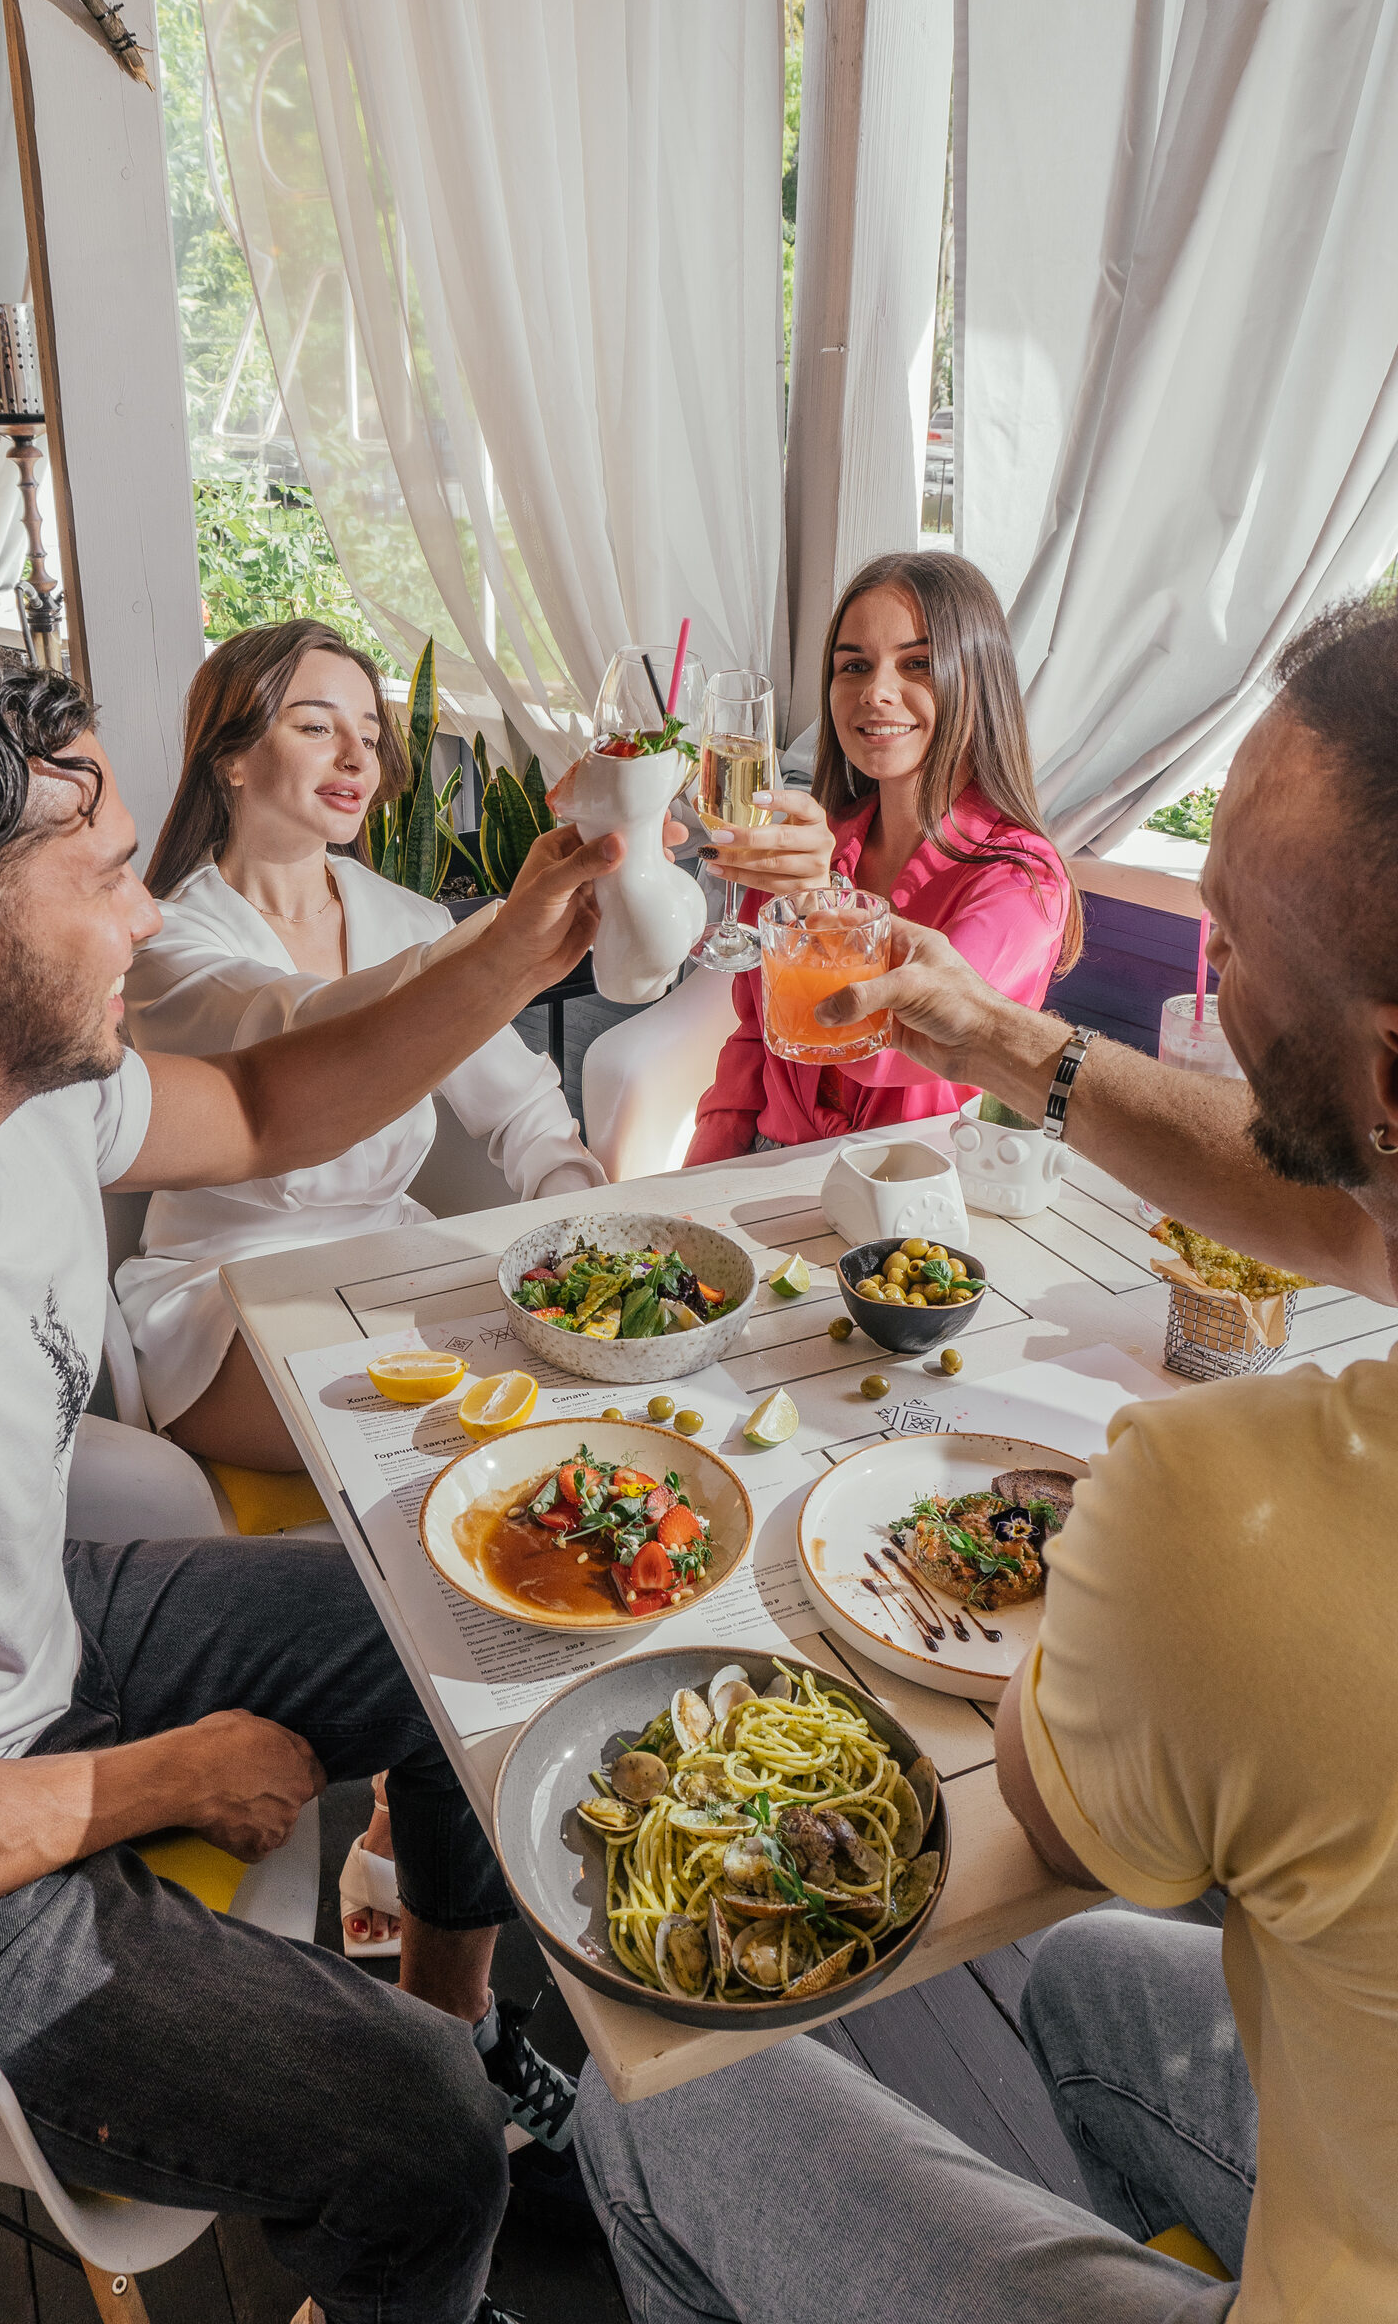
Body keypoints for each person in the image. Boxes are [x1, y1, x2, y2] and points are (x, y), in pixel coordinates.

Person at [0, 639, 623, 2324]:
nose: (148, 914)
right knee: (421, 2145)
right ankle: (437, 2147)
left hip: (5, 1656)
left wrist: (511, 947)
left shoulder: (6, 1071)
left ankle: (458, 2030)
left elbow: (272, 1101)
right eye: (113, 873)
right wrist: (161, 1778)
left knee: (463, 1616)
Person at [576, 590, 1398, 2320]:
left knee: (652, 2102)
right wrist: (993, 1037)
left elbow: (1058, 1805)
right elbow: (1346, 1211)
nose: (1208, 972)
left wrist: (1100, 1622)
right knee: (1096, 1987)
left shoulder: (1229, 1506)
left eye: (1233, 940)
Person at [117, 619, 605, 1479]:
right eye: (316, 727)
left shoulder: (409, 921)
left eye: (370, 736)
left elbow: (522, 1107)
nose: (356, 757)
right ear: (230, 757)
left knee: (573, 1390)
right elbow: (299, 1028)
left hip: (390, 1259)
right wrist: (483, 955)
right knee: (430, 1445)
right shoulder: (168, 946)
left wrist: (584, 1232)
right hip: (224, 1291)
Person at [685, 551, 1079, 1162]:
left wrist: (821, 902)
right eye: (854, 666)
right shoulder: (818, 843)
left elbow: (882, 1049)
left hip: (910, 1200)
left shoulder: (1021, 881)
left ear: (979, 678)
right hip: (767, 1169)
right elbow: (754, 1039)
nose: (876, 692)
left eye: (917, 664)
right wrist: (693, 1192)